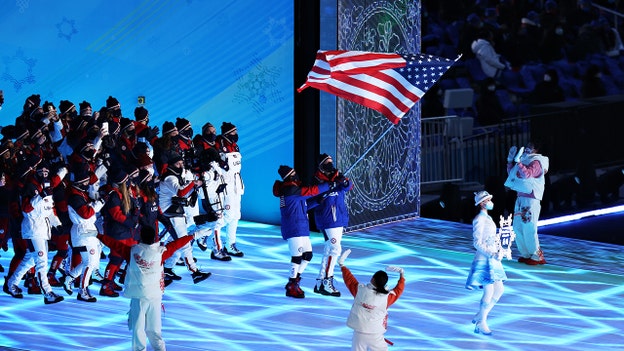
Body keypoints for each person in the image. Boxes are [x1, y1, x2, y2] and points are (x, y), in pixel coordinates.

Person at [97, 226, 201, 351]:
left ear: (140, 237)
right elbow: (176, 244)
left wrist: (98, 236)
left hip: (138, 297)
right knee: (154, 329)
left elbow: (114, 244)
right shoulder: (161, 253)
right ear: (154, 238)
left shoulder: (132, 251)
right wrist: (193, 236)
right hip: (155, 296)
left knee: (138, 329)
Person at [272, 165, 331, 298]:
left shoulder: (293, 190)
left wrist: (317, 201)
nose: (297, 175)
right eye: (294, 173)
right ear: (290, 176)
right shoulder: (290, 189)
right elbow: (311, 191)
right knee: (297, 257)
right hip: (294, 228)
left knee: (307, 255)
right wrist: (328, 185)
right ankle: (292, 285)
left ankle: (295, 279)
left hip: (302, 227)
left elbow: (304, 205)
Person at [339, 249, 405, 351]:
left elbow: (350, 280)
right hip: (376, 335)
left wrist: (342, 265)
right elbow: (399, 290)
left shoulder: (360, 291)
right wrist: (402, 274)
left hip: (359, 334)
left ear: (373, 279)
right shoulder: (387, 298)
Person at [465, 191, 507, 336]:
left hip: (492, 259)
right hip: (484, 259)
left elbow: (490, 238)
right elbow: (477, 242)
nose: (490, 202)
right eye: (488, 199)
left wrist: (499, 249)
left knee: (499, 289)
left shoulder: (487, 218)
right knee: (489, 291)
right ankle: (482, 322)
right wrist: (491, 252)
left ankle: (481, 316)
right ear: (482, 203)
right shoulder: (479, 219)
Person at [310, 154, 352, 297]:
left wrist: (344, 181)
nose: (330, 164)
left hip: (338, 217)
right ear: (321, 165)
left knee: (329, 249)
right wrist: (327, 188)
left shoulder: (337, 175)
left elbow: (348, 187)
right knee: (334, 249)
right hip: (327, 218)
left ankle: (320, 281)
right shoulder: (316, 179)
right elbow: (313, 198)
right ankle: (328, 280)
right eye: (327, 163)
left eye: (331, 162)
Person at [504, 142, 549, 265]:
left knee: (529, 226)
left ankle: (537, 255)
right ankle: (526, 254)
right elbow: (513, 175)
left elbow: (527, 175)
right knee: (517, 227)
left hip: (531, 198)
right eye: (527, 146)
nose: (527, 149)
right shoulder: (523, 159)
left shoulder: (537, 162)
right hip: (521, 197)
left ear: (536, 150)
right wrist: (510, 161)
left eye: (531, 147)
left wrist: (518, 162)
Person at [215, 122, 244, 258]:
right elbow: (216, 165)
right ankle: (210, 240)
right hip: (226, 185)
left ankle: (230, 244)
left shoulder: (235, 146)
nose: (235, 134)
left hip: (237, 184)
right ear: (226, 133)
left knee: (236, 216)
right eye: (233, 132)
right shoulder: (219, 145)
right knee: (227, 216)